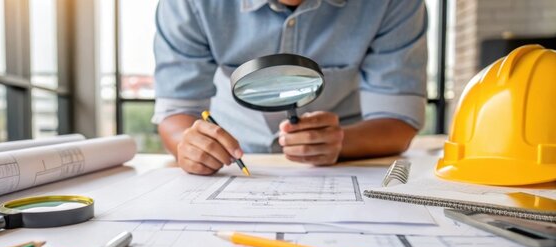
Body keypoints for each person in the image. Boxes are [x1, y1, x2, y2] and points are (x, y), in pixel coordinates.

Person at [153, 0, 428, 175]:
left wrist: (341, 142)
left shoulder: (394, 4)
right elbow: (177, 111)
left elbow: (398, 121)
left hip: (346, 163)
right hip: (235, 164)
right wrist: (190, 144)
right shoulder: (188, 3)